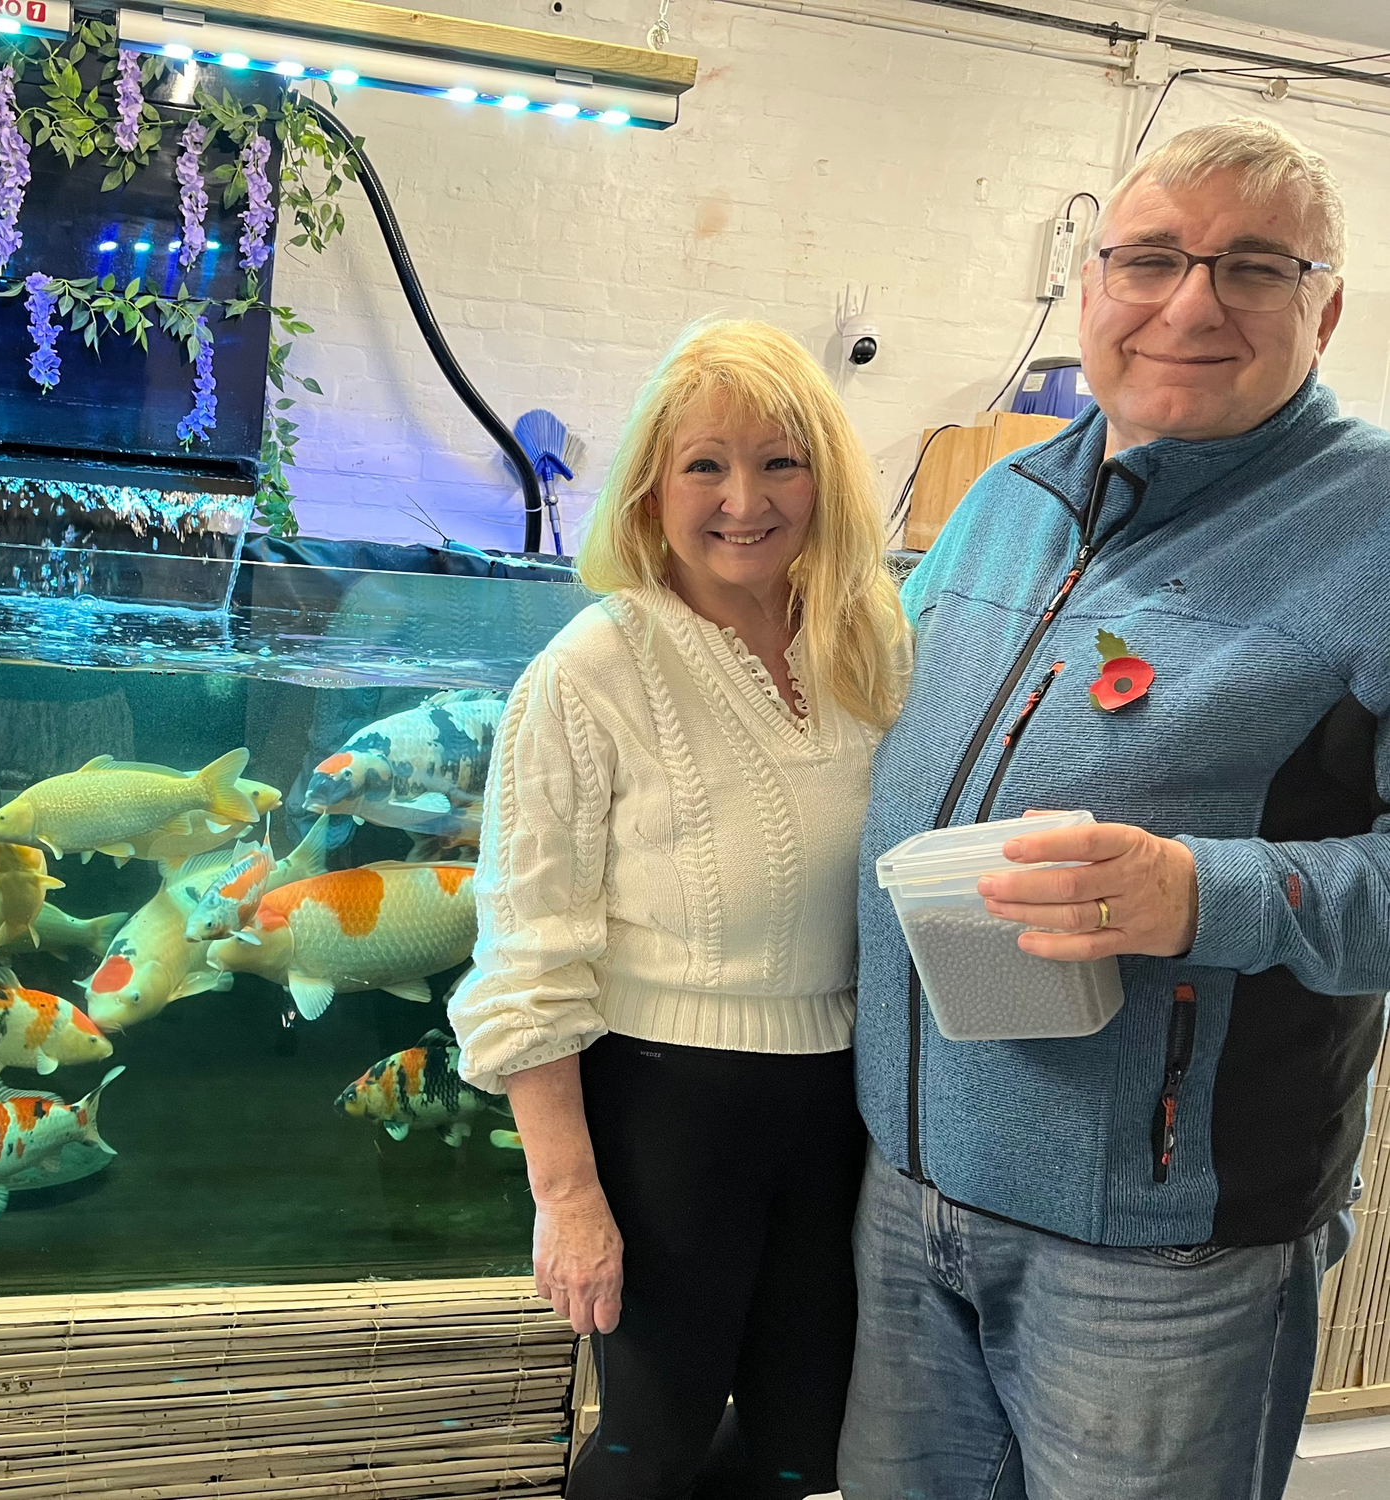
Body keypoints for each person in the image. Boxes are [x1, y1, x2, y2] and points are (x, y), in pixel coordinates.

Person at [840, 116, 1390, 1500]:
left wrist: (1204, 894)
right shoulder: (1003, 500)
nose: (1189, 306)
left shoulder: (1373, 530)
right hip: (910, 1195)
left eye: (1252, 268)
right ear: (1090, 286)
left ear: (1325, 309)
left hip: (1158, 1248)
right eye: (1150, 259)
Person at [447, 319, 910, 1499]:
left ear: (826, 479)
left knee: (808, 1444)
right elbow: (528, 960)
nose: (745, 500)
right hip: (664, 1111)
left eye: (780, 461)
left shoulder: (871, 642)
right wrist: (567, 1198)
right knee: (648, 1447)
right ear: (653, 486)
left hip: (842, 1104)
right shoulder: (588, 671)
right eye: (706, 464)